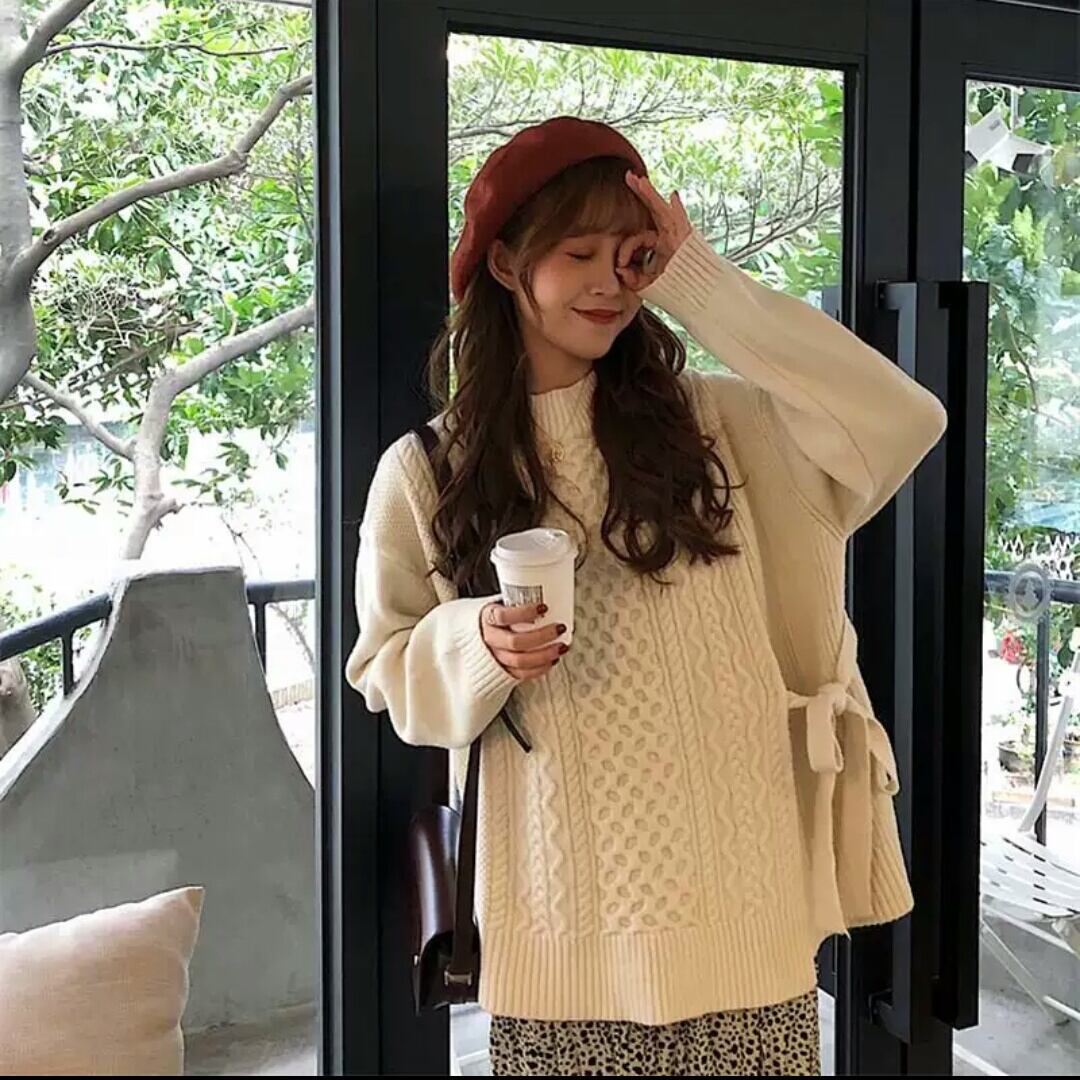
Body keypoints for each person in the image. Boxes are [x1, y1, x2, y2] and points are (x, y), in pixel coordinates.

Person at [345, 115, 947, 1076]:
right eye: (576, 253)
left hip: (746, 922)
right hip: (561, 938)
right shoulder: (429, 468)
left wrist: (697, 282)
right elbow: (385, 668)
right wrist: (478, 644)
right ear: (505, 264)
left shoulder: (724, 426)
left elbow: (902, 419)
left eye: (628, 258)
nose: (608, 284)